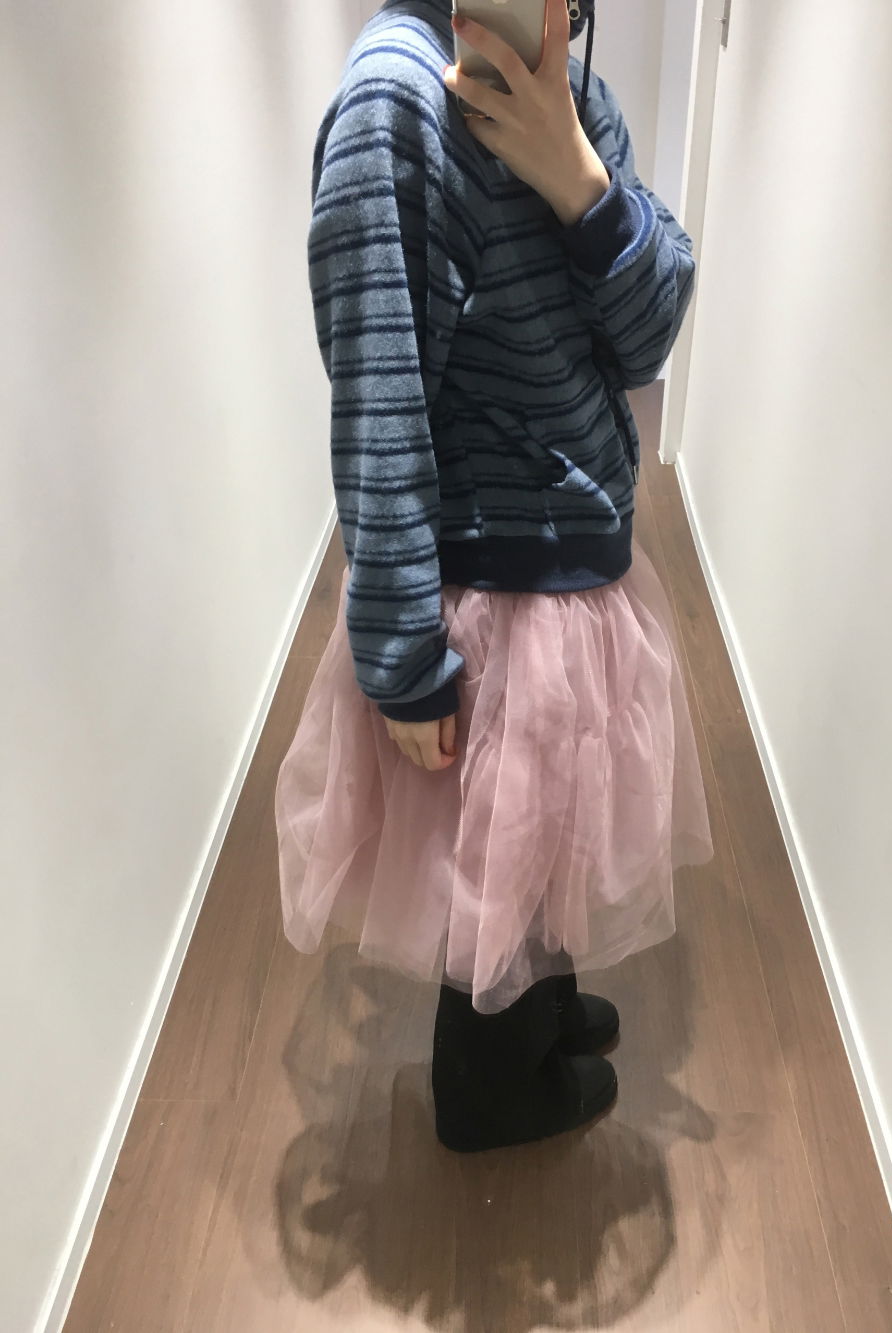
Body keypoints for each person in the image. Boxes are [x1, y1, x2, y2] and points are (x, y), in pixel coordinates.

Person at [274, 0, 714, 1153]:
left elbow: (650, 333)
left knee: (548, 826)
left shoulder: (568, 82)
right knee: (495, 849)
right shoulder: (394, 100)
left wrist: (580, 181)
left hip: (574, 558)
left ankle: (540, 1009)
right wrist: (401, 656)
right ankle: (491, 1090)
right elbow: (378, 398)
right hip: (490, 590)